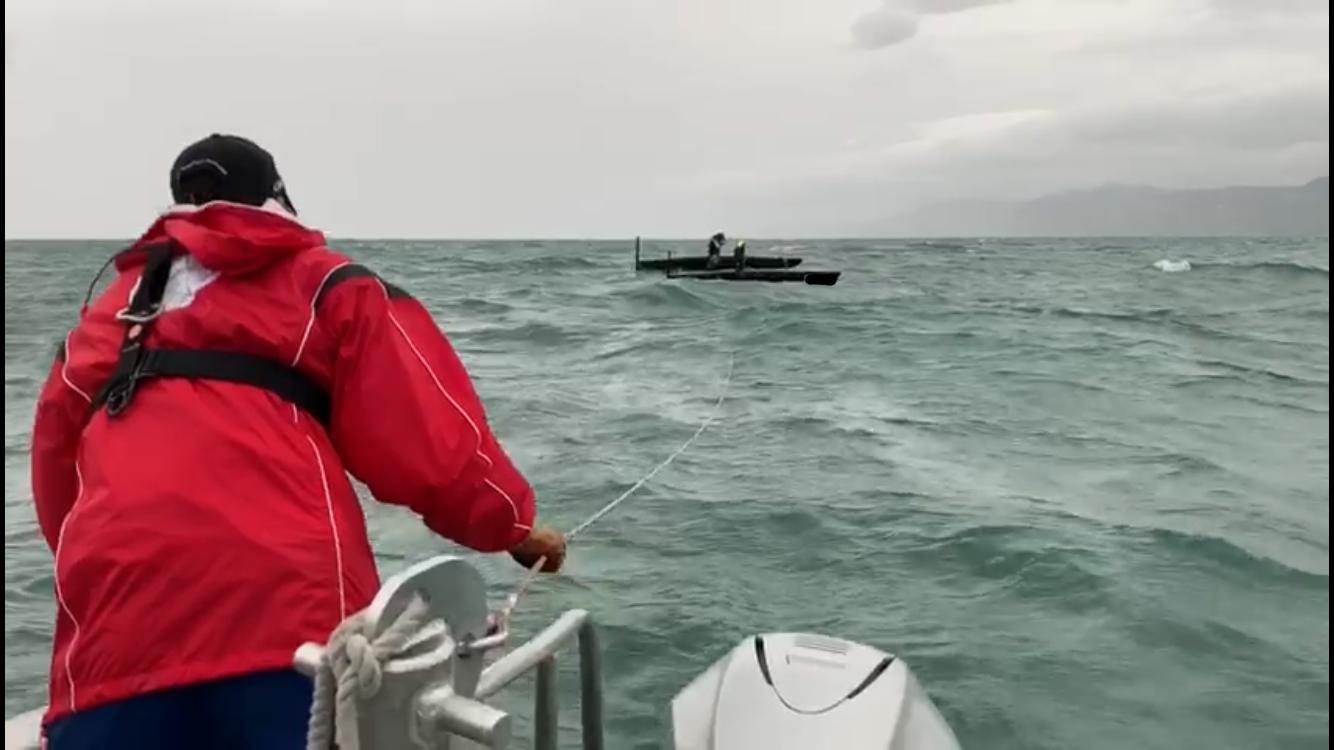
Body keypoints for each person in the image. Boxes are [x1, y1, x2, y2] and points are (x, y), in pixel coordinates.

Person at [29, 133, 567, 749]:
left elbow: (55, 471)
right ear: (275, 199)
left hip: (112, 637)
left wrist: (120, 569)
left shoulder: (108, 316)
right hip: (288, 626)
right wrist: (512, 528)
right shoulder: (328, 286)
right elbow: (432, 444)